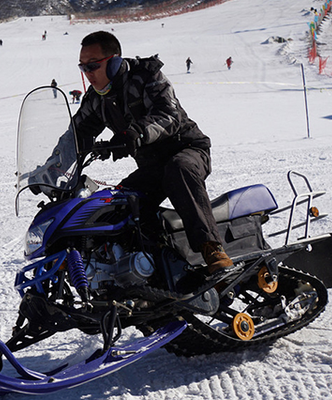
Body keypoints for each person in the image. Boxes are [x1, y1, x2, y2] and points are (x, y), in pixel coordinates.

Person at [71, 31, 232, 274]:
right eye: (83, 67)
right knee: (122, 202)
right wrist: (49, 166)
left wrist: (135, 134)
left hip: (187, 149)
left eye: (93, 65)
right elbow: (74, 135)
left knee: (178, 169)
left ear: (114, 61)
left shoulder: (146, 76)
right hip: (152, 166)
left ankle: (212, 248)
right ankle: (158, 268)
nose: (88, 73)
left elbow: (169, 115)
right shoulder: (96, 99)